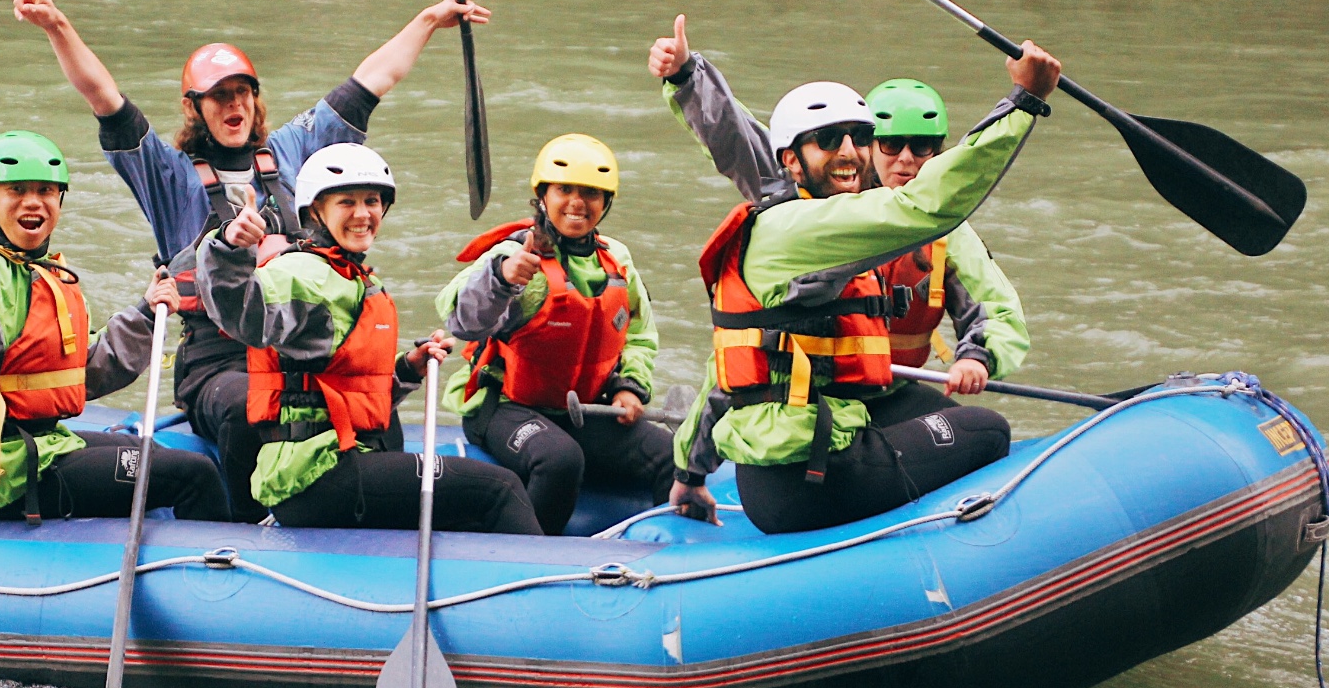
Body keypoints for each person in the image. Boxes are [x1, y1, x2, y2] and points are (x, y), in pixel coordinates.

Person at [4, 0, 493, 521]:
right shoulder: (169, 176)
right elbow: (103, 96)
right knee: (245, 407)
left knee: (374, 399)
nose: (232, 106)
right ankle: (245, 525)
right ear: (195, 107)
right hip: (219, 359)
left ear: (255, 99)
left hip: (299, 347)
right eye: (218, 98)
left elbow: (371, 82)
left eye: (241, 93)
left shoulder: (292, 151)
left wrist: (429, 19)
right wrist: (57, 26)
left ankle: (384, 516)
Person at [652, 28, 1063, 533]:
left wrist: (690, 470)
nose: (853, 152)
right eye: (829, 141)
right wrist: (1024, 103)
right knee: (987, 431)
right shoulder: (808, 229)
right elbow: (922, 205)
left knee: (927, 410)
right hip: (807, 480)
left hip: (818, 432)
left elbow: (733, 367)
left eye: (860, 138)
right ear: (792, 161)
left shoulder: (802, 217)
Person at [0, 129, 227, 521]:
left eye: (46, 191)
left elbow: (84, 372)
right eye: (16, 190)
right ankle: (221, 570)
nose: (33, 202)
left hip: (45, 444)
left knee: (163, 457)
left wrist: (147, 312)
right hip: (2, 473)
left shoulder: (48, 274)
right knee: (194, 474)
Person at [196, 143, 541, 533]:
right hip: (318, 474)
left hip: (346, 460)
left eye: (372, 201)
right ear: (315, 212)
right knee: (501, 488)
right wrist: (229, 247)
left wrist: (407, 371)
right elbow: (243, 315)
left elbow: (345, 388)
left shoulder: (358, 280)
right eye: (347, 202)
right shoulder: (301, 273)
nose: (363, 214)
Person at [435, 134, 692, 533]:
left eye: (591, 192)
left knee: (673, 455)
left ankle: (669, 559)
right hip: (505, 406)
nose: (577, 202)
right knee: (559, 460)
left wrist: (630, 387)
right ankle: (530, 560)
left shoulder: (616, 260)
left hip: (585, 409)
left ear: (605, 203)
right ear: (542, 196)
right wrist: (501, 280)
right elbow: (460, 320)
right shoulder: (515, 256)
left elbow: (639, 334)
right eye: (564, 190)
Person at [863, 78, 1028, 391]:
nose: (906, 158)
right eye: (891, 144)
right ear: (867, 148)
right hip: (824, 391)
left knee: (989, 429)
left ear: (938, 153)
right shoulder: (831, 210)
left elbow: (998, 311)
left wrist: (977, 358)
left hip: (893, 389)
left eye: (921, 146)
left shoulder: (950, 231)